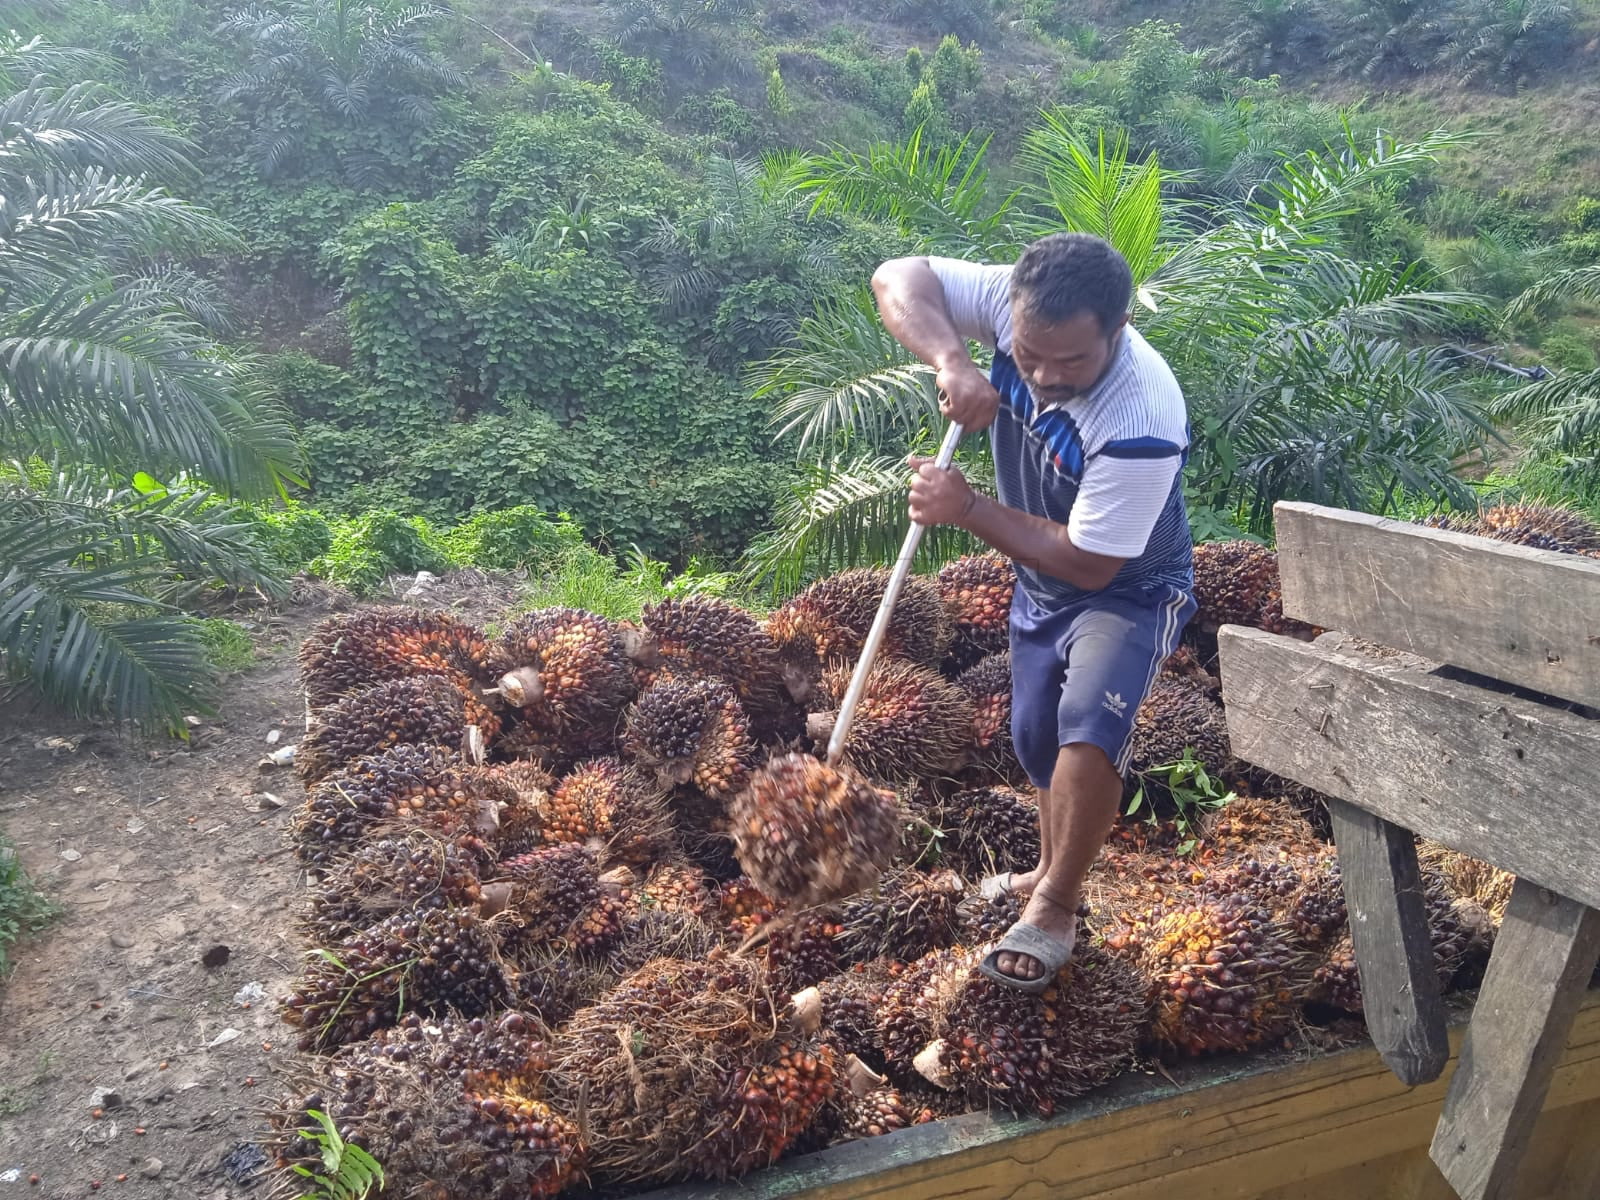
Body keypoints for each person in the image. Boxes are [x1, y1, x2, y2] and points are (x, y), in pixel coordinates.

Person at [870, 232, 1195, 992]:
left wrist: (968, 507)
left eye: (1073, 362)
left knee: (1087, 719)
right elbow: (898, 276)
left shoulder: (1140, 418)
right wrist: (954, 361)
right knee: (1033, 733)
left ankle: (1056, 903)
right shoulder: (1007, 299)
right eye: (1028, 353)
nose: (1044, 376)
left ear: (1116, 331)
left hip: (1129, 587)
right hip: (1040, 578)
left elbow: (1091, 561)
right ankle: (1045, 867)